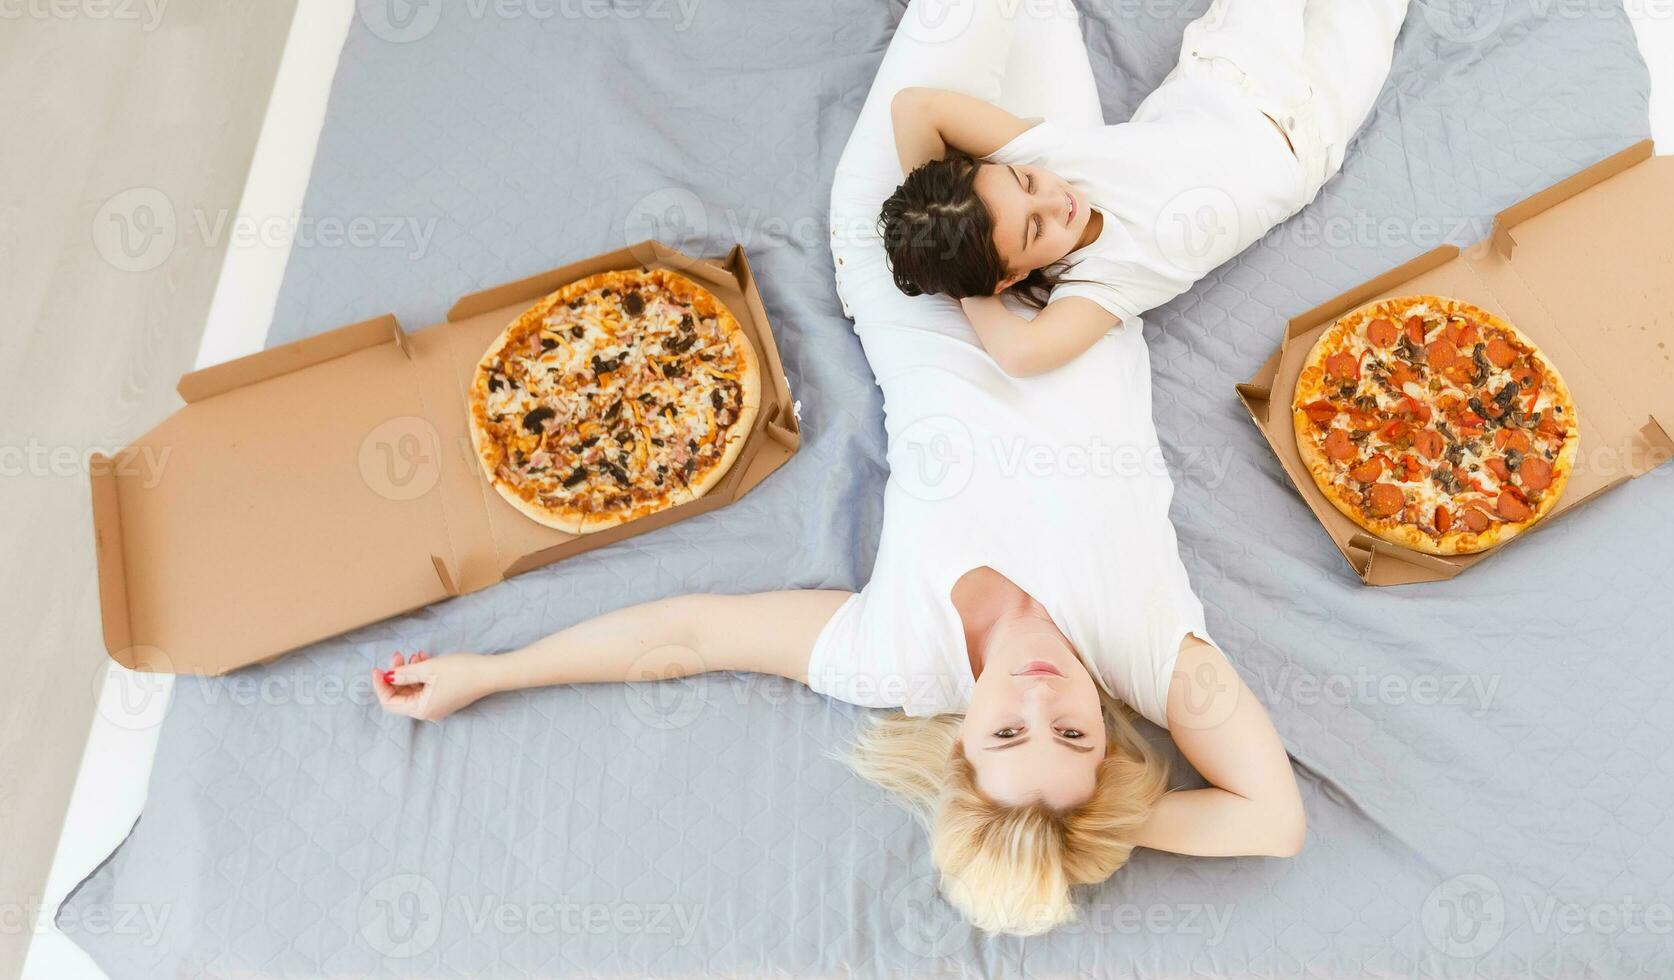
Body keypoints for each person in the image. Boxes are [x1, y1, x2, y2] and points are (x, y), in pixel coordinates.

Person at [369, 0, 1407, 936]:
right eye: (1073, 732)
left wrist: (494, 673)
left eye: (1008, 729)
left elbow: (687, 633)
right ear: (1107, 750)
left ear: (962, 745)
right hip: (1062, 262)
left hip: (907, 257)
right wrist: (1096, 829)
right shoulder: (1146, 651)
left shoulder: (896, 659)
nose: (1042, 692)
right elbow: (1272, 822)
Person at [879, 0, 1409, 376]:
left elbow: (915, 107)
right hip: (1310, 130)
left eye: (1027, 182)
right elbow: (1018, 356)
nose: (1053, 199)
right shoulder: (1100, 284)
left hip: (1232, 63)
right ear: (1011, 274)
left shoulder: (1043, 160)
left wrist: (938, 217)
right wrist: (966, 284)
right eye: (1034, 227)